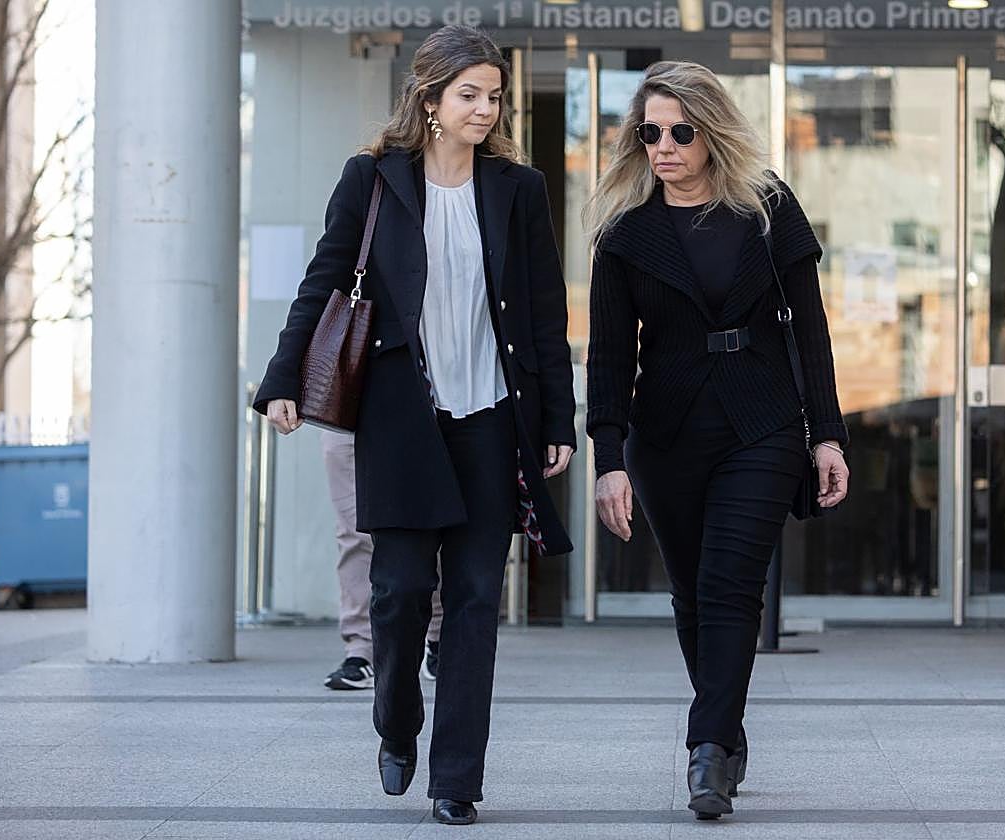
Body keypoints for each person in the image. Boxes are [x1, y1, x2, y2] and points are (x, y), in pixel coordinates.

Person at [253, 24, 576, 826]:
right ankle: (397, 722)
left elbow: (544, 315)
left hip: (492, 419)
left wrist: (557, 417)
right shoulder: (372, 180)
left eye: (494, 96)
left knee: (473, 599)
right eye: (469, 95)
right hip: (402, 419)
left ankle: (456, 778)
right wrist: (284, 376)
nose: (485, 109)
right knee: (398, 594)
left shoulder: (517, 189)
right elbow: (324, 280)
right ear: (429, 100)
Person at [585, 61, 850, 821]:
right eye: (650, 132)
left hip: (762, 423)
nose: (663, 146)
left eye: (680, 131)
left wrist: (826, 436)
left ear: (711, 132)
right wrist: (609, 460)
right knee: (694, 594)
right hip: (665, 433)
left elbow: (812, 334)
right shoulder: (626, 234)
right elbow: (608, 357)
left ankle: (705, 751)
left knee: (733, 586)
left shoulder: (768, 212)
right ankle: (726, 734)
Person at [319, 430, 442, 690]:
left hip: (421, 407)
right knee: (353, 532)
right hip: (346, 408)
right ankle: (360, 650)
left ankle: (437, 636)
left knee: (429, 522)